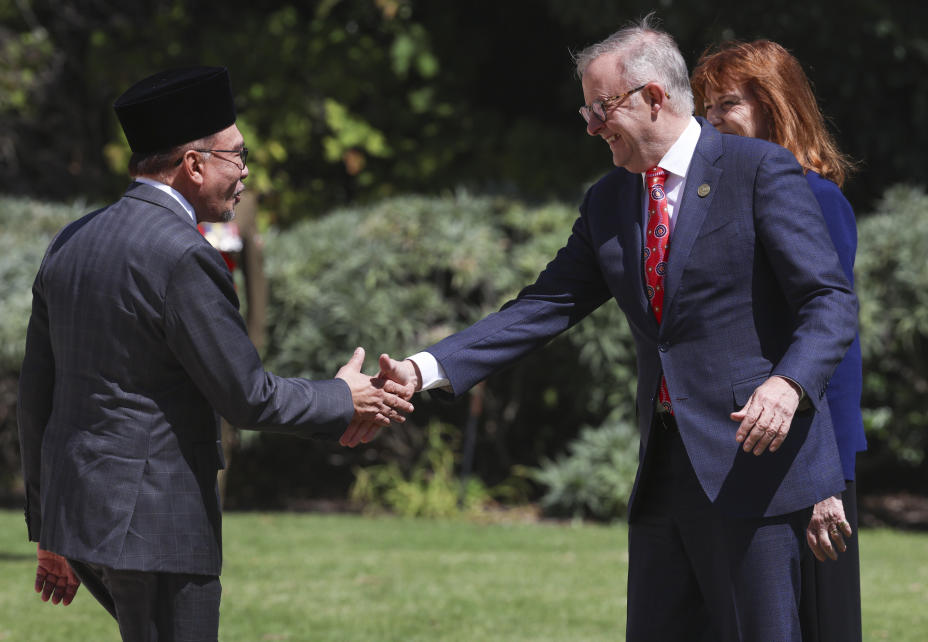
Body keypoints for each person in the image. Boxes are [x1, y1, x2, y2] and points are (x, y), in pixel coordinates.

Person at [355, 17, 858, 641]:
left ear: (653, 98)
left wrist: (788, 384)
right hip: (664, 479)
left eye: (602, 107)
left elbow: (829, 301)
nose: (590, 126)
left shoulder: (757, 171)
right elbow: (542, 307)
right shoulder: (608, 201)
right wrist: (422, 369)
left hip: (752, 470)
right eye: (586, 109)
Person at [17, 65, 413, 641]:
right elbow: (247, 397)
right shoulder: (182, 254)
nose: (246, 173)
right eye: (237, 157)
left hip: (88, 529)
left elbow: (37, 397)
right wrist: (342, 397)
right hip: (157, 529)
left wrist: (49, 528)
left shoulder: (74, 239)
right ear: (194, 163)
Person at [691, 39, 866, 642]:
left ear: (775, 103)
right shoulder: (725, 197)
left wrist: (831, 484)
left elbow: (835, 342)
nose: (713, 121)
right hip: (758, 455)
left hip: (815, 465)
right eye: (706, 109)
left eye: (728, 104)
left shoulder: (815, 196)